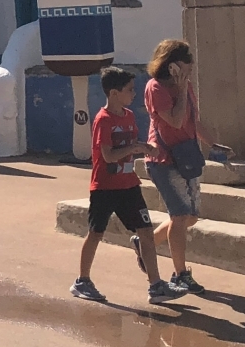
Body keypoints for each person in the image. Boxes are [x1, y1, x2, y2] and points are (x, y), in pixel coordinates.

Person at [72, 68, 180, 305]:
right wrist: (134, 148)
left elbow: (131, 145)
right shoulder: (103, 120)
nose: (134, 93)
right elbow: (109, 156)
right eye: (129, 90)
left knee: (146, 232)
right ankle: (82, 281)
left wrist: (146, 147)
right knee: (96, 233)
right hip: (104, 188)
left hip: (129, 186)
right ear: (114, 93)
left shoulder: (129, 116)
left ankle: (156, 286)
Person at [142, 39, 230, 297]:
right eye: (185, 63)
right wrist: (179, 90)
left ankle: (146, 243)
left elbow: (193, 121)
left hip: (187, 157)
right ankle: (180, 274)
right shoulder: (155, 88)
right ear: (170, 65)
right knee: (179, 217)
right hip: (163, 160)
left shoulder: (186, 86)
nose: (190, 67)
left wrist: (213, 143)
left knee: (190, 217)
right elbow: (176, 121)